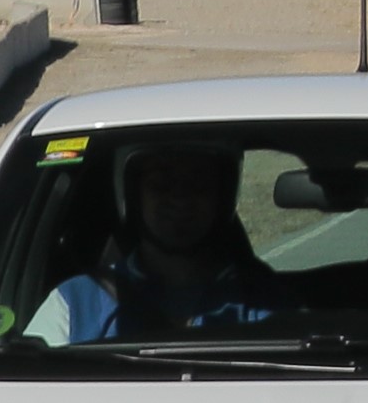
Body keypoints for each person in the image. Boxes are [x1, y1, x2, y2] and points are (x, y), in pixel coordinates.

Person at [24, 145, 292, 346]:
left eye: (198, 183)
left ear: (221, 198)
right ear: (134, 195)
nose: (180, 198)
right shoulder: (73, 304)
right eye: (161, 183)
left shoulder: (264, 297)